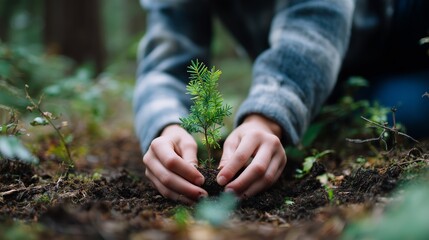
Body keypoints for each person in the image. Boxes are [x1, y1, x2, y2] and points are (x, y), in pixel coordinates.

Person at [133, 0, 429, 204]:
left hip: (396, 23)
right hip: (335, 78)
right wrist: (166, 127)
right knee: (392, 116)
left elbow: (316, 18)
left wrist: (265, 117)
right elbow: (165, 59)